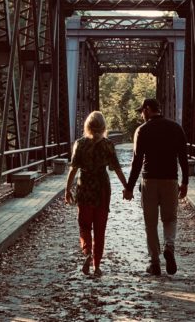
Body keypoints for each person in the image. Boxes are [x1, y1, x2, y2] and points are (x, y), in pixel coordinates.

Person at [123, 98, 188, 276]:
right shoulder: (176, 128)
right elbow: (183, 157)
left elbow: (137, 162)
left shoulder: (142, 130)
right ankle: (169, 246)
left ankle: (155, 263)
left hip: (149, 180)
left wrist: (129, 187)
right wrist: (185, 182)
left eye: (142, 111)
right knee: (170, 219)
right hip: (171, 180)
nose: (141, 115)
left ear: (148, 109)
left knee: (150, 224)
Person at [65, 111, 128, 276]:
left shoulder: (80, 144)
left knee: (84, 225)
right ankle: (97, 266)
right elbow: (117, 169)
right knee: (100, 230)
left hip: (84, 189)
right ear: (103, 126)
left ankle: (87, 252)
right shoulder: (108, 144)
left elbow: (73, 169)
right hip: (102, 191)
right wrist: (127, 187)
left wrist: (67, 190)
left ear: (87, 126)